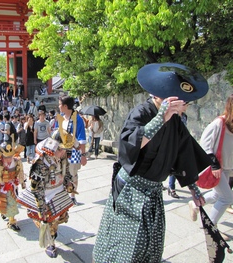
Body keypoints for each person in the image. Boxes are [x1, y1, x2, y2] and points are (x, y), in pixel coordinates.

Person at [92, 63, 212, 263]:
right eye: (185, 103)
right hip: (132, 190)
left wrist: (193, 188)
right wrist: (160, 119)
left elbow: (184, 153)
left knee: (150, 245)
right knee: (126, 245)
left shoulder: (176, 121)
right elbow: (130, 143)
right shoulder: (143, 111)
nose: (186, 107)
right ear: (168, 99)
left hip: (153, 191)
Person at [17, 131, 76, 258]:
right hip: (45, 196)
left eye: (65, 150)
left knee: (57, 219)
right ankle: (50, 243)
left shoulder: (62, 156)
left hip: (59, 192)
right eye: (61, 149)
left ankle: (53, 234)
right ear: (55, 146)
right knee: (47, 221)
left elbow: (66, 171)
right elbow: (36, 188)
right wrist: (41, 207)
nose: (64, 153)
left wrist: (68, 182)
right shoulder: (42, 163)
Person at [189, 94, 233, 240]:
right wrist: (214, 165)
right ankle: (211, 228)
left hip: (227, 167)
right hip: (216, 168)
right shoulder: (219, 124)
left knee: (216, 195)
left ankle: (195, 204)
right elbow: (205, 145)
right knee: (227, 198)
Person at [0, 136, 25, 231]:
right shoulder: (0, 165)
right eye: (6, 157)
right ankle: (12, 221)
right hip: (4, 186)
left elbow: (21, 171)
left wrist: (22, 182)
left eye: (10, 157)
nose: (8, 159)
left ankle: (7, 214)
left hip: (14, 185)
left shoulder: (17, 162)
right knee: (10, 202)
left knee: (12, 202)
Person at [58, 95, 88, 205]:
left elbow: (82, 139)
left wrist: (83, 155)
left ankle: (72, 195)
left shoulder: (77, 119)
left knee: (72, 174)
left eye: (60, 104)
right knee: (61, 174)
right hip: (62, 151)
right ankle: (63, 194)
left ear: (65, 106)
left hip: (74, 151)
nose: (59, 106)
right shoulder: (61, 118)